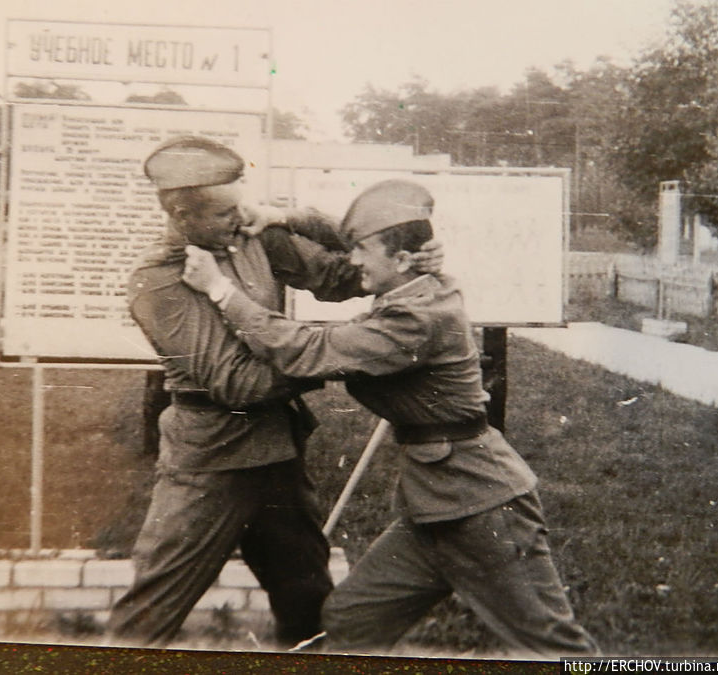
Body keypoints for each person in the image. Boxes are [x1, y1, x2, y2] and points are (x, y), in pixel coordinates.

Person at [181, 178, 601, 657]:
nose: (352, 259)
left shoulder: (414, 319)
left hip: (483, 511)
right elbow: (353, 240)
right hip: (433, 511)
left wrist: (220, 289)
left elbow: (306, 350)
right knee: (349, 621)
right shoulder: (418, 288)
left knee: (554, 650)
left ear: (402, 261)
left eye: (362, 251)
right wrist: (283, 217)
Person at [107, 137, 443, 647]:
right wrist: (342, 356)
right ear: (180, 212)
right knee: (151, 612)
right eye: (224, 213)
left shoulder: (251, 239)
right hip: (213, 460)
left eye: (241, 204)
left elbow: (347, 274)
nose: (239, 218)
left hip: (277, 453)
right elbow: (239, 383)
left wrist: (303, 221)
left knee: (308, 601)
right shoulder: (158, 283)